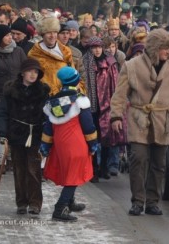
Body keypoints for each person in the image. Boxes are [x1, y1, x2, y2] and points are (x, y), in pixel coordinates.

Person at [110, 29, 169, 216]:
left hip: (163, 121)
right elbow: (119, 94)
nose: (168, 53)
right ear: (155, 48)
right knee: (138, 159)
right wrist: (116, 116)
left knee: (159, 164)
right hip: (139, 118)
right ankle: (138, 201)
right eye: (165, 49)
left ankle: (153, 202)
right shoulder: (131, 66)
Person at [40, 66, 99, 222]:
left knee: (70, 171)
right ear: (77, 80)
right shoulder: (80, 100)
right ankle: (60, 208)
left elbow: (48, 128)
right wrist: (93, 143)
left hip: (60, 144)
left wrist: (45, 146)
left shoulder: (52, 102)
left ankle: (70, 202)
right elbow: (88, 126)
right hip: (76, 143)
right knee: (73, 175)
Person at [0, 58, 50, 215]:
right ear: (22, 73)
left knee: (34, 169)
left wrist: (48, 134)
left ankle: (35, 203)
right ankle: (21, 202)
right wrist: (3, 133)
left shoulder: (43, 91)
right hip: (17, 132)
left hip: (36, 134)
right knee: (19, 169)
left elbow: (48, 114)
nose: (33, 75)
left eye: (36, 72)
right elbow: (2, 112)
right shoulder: (11, 90)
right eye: (30, 71)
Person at [0, 24, 27, 173]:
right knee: (0, 130)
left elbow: (25, 72)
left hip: (18, 96)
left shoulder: (19, 51)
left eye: (11, 35)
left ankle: (11, 159)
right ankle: (1, 160)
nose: (11, 37)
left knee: (16, 128)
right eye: (7, 35)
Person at [82, 36, 126, 181]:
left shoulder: (111, 62)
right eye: (94, 47)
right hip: (91, 105)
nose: (97, 50)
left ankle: (104, 167)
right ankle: (93, 168)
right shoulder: (85, 62)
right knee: (92, 137)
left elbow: (116, 82)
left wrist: (116, 102)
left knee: (107, 138)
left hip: (107, 104)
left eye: (99, 47)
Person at [28, 16, 79, 96]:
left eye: (55, 32)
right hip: (44, 97)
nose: (52, 36)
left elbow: (72, 73)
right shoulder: (34, 54)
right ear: (42, 34)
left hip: (64, 95)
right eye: (49, 32)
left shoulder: (65, 50)